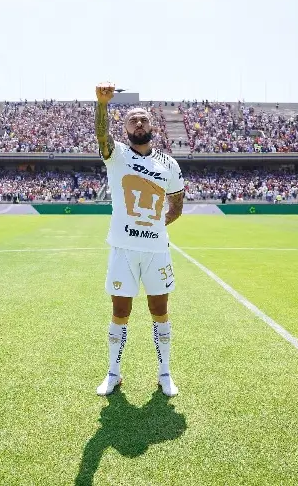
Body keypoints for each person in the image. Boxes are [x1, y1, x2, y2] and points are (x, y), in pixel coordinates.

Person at [94, 82, 185, 397]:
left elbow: (177, 205)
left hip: (156, 251)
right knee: (120, 312)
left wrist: (157, 227)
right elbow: (102, 137)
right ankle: (113, 373)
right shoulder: (116, 155)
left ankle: (164, 374)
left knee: (160, 310)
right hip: (123, 249)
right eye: (132, 119)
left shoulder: (169, 164)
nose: (138, 122)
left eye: (143, 118)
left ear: (152, 125)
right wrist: (102, 104)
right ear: (126, 127)